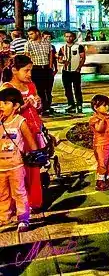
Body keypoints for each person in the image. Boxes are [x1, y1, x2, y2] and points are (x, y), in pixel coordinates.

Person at [1, 55, 47, 211]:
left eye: (30, 71)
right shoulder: (7, 89)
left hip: (35, 131)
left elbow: (38, 108)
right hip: (18, 135)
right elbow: (5, 113)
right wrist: (23, 106)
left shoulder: (31, 85)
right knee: (20, 170)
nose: (29, 74)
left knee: (34, 167)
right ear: (14, 70)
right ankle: (18, 203)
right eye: (26, 71)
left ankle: (34, 201)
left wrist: (39, 104)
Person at [0, 88, 37, 232]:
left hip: (16, 165)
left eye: (5, 103)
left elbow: (30, 141)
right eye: (0, 102)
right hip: (1, 166)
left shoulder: (20, 121)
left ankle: (23, 218)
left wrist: (35, 156)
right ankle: (4, 217)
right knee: (2, 193)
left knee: (19, 192)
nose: (1, 105)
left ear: (15, 106)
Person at [89, 95, 109, 191]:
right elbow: (99, 129)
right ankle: (100, 181)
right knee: (102, 163)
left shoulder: (108, 116)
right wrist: (102, 119)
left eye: (107, 105)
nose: (107, 107)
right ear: (95, 108)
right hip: (100, 145)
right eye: (104, 105)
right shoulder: (95, 119)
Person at [24, 27, 54, 116]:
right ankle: (43, 108)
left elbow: (50, 54)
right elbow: (27, 57)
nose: (30, 36)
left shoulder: (46, 41)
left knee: (48, 88)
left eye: (31, 34)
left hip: (46, 68)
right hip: (36, 69)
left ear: (37, 33)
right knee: (39, 89)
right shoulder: (28, 44)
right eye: (29, 34)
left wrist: (50, 66)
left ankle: (48, 106)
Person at [58, 31, 86, 114]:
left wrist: (79, 68)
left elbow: (83, 58)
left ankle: (79, 103)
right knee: (67, 89)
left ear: (73, 37)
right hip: (66, 71)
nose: (68, 38)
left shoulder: (79, 47)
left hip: (75, 71)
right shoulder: (62, 48)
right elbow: (59, 59)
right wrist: (63, 61)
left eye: (70, 36)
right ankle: (71, 104)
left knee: (77, 88)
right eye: (66, 36)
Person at [42, 31, 58, 110]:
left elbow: (54, 58)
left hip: (49, 70)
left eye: (49, 37)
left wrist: (55, 68)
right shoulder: (39, 46)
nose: (47, 39)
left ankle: (48, 104)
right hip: (41, 69)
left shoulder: (52, 47)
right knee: (41, 88)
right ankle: (43, 104)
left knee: (49, 88)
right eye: (46, 37)